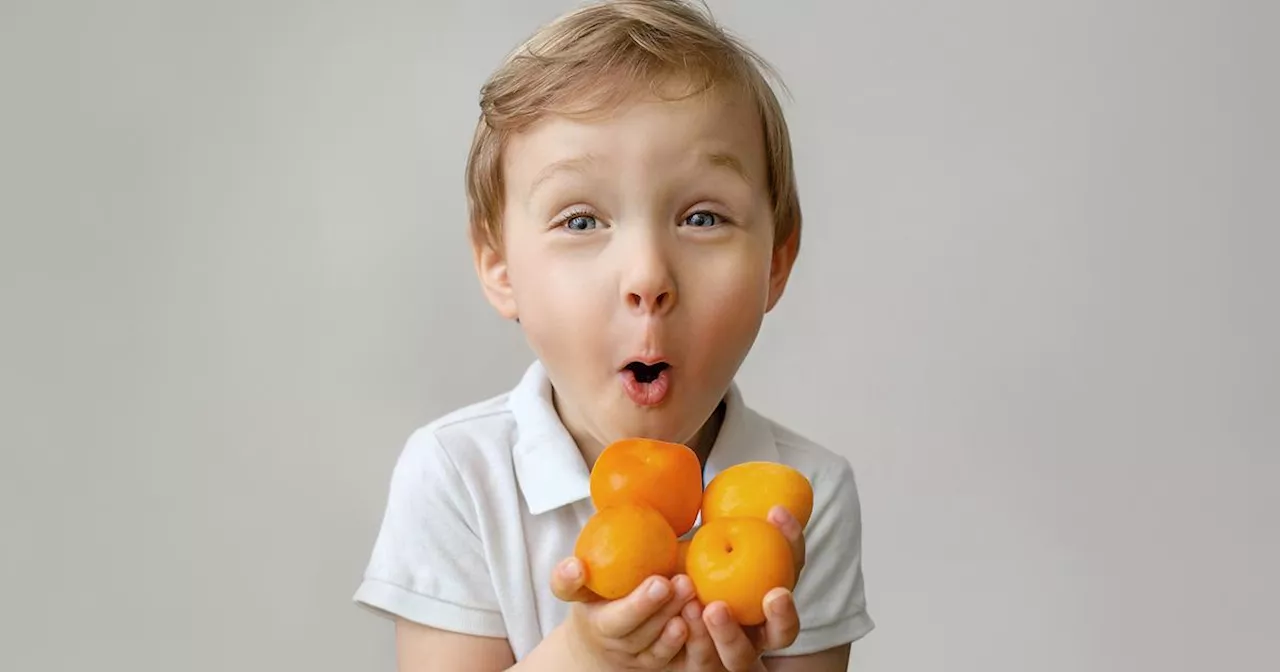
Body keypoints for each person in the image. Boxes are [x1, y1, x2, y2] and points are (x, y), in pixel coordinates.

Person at [352, 1, 873, 669]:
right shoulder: (459, 477)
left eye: (704, 217)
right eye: (580, 221)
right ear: (499, 266)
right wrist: (584, 656)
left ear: (776, 261)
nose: (648, 275)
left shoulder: (801, 496)